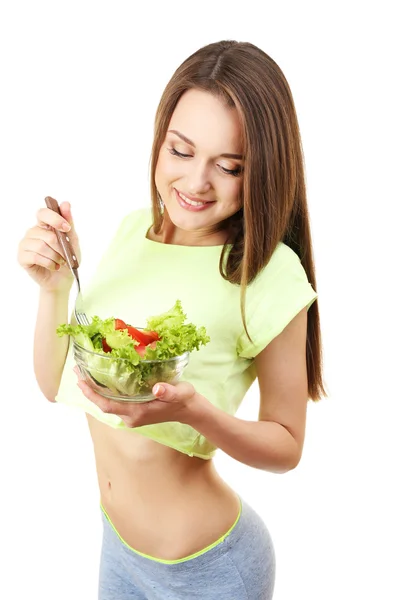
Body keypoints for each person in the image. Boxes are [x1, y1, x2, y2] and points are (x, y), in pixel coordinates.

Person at [17, 40, 325, 600]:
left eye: (229, 166)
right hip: (117, 547)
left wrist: (196, 413)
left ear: (263, 169)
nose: (197, 182)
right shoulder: (133, 231)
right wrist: (55, 289)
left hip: (211, 572)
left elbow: (287, 447)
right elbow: (53, 384)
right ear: (160, 141)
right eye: (181, 151)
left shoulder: (267, 272)